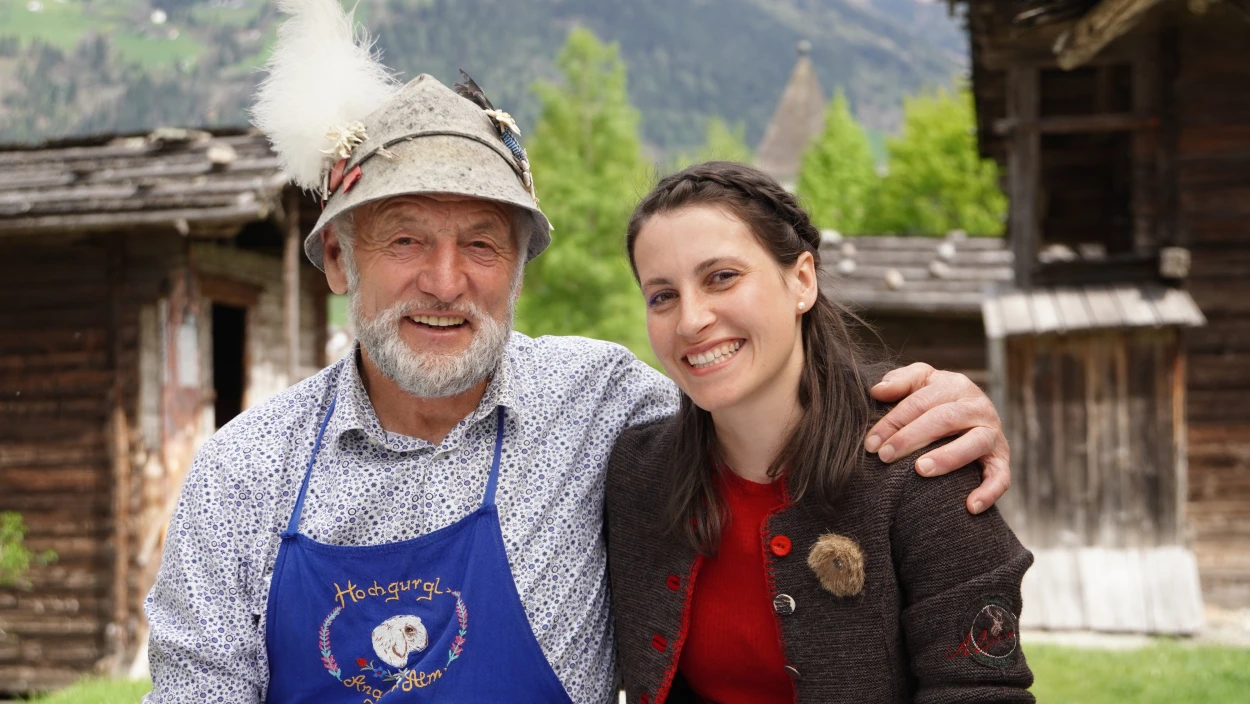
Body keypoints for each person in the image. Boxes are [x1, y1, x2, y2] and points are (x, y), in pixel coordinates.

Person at [143, 3, 1014, 703]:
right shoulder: (242, 477)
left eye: (482, 244)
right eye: (404, 241)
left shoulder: (605, 405)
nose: (446, 283)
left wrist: (931, 405)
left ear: (519, 268)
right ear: (338, 258)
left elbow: (752, 390)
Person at [607, 161, 1034, 703]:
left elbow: (981, 691)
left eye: (721, 277)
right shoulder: (635, 475)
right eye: (662, 295)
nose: (691, 320)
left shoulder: (921, 467)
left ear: (802, 280)